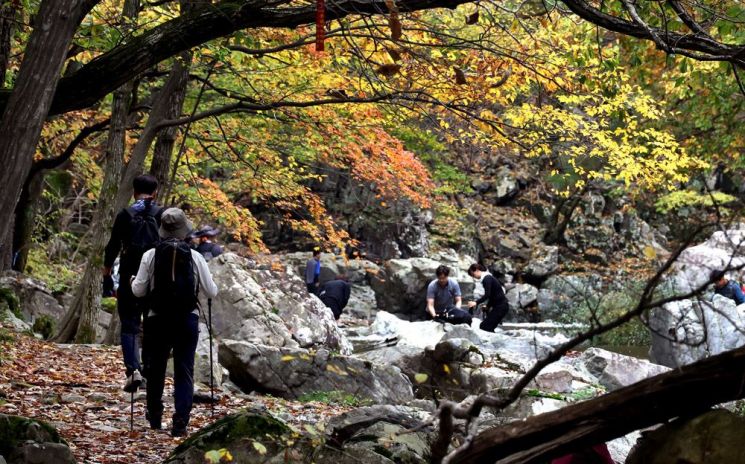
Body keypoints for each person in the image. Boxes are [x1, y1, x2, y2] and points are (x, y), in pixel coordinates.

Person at [131, 208, 218, 437]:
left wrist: (132, 282)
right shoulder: (196, 256)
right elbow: (212, 291)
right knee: (184, 370)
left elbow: (139, 291)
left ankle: (155, 416)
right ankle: (180, 421)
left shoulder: (150, 255)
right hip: (187, 319)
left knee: (156, 369)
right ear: (183, 229)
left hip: (156, 319)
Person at [103, 174, 163, 392]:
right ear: (155, 192)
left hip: (129, 274)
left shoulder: (125, 214)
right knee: (151, 325)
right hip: (155, 278)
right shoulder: (162, 214)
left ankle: (133, 370)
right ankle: (148, 370)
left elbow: (112, 246)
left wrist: (107, 272)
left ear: (134, 191)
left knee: (129, 325)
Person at [467, 263, 509, 332]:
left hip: (501, 307)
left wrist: (476, 302)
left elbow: (487, 295)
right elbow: (492, 295)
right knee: (486, 326)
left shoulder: (486, 279)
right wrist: (488, 306)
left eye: (473, 275)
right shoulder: (488, 277)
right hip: (501, 306)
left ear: (477, 270)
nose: (474, 277)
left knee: (485, 326)